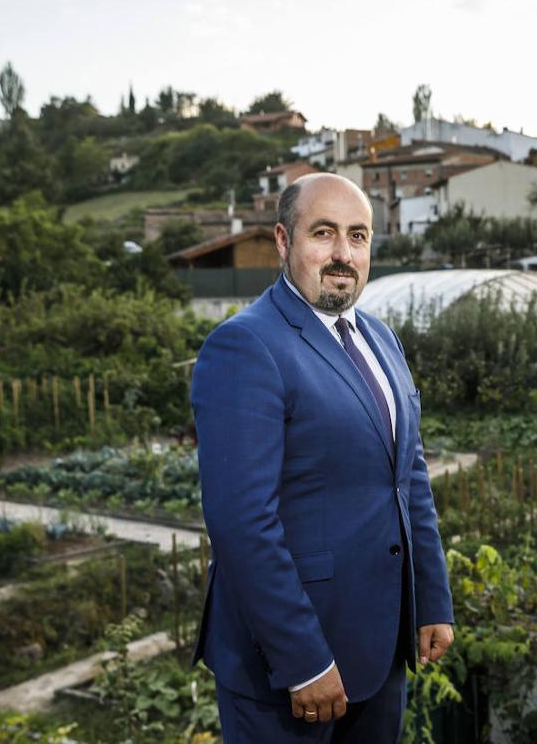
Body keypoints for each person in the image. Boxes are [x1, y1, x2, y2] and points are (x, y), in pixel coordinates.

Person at [190, 173, 455, 743]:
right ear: (283, 242)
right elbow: (242, 523)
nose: (343, 254)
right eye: (324, 233)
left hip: (380, 645)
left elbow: (408, 476)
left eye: (358, 236)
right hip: (287, 667)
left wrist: (430, 598)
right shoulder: (246, 345)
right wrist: (302, 659)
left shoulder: (380, 338)